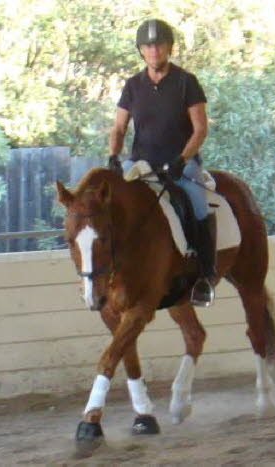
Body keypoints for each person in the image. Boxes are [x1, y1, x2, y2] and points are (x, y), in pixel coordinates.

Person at [108, 18, 216, 307]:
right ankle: (111, 272)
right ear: (141, 51)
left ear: (169, 48)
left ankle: (205, 276)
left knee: (197, 203)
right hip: (141, 164)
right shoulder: (133, 86)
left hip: (179, 165)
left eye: (159, 45)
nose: (154, 50)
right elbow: (118, 128)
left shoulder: (186, 82)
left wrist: (182, 159)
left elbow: (200, 129)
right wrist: (113, 157)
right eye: (148, 46)